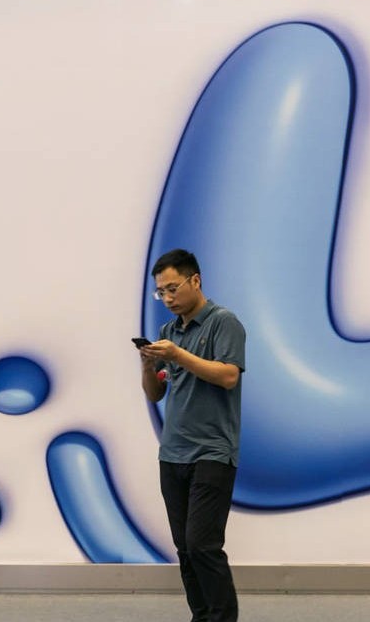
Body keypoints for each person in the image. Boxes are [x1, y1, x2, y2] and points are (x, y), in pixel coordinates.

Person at [140, 248, 245, 622]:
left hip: (213, 451)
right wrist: (149, 365)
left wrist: (179, 356)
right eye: (161, 292)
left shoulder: (224, 323)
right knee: (184, 548)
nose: (167, 298)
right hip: (173, 453)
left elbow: (228, 376)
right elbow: (156, 393)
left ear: (195, 280)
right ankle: (201, 616)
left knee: (203, 544)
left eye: (172, 289)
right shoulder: (169, 333)